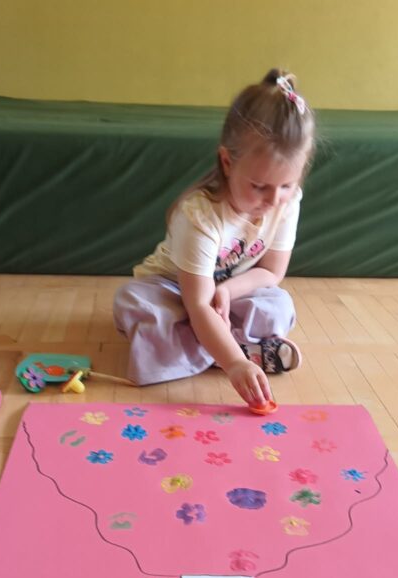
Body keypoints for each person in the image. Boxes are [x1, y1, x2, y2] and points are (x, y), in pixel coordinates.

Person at [113, 69, 316, 406]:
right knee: (136, 304)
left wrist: (228, 290)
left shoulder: (287, 202)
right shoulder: (199, 216)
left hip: (227, 292)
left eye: (286, 185)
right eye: (259, 186)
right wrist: (234, 362)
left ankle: (203, 352)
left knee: (279, 307)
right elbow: (197, 303)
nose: (273, 200)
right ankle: (239, 352)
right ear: (227, 162)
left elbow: (271, 271)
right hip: (176, 290)